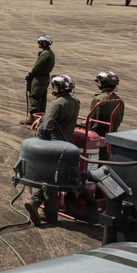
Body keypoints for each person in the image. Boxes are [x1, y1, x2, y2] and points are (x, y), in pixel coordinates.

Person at [25, 75, 81, 226]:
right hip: (65, 146)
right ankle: (47, 212)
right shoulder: (75, 102)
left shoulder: (56, 104)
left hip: (50, 146)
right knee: (51, 179)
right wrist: (41, 117)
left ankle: (36, 203)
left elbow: (46, 127)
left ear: (56, 88)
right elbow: (51, 118)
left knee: (40, 177)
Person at [21, 36, 56, 125]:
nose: (38, 44)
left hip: (39, 78)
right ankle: (40, 117)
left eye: (40, 42)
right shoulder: (49, 53)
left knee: (34, 97)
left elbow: (38, 67)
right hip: (44, 77)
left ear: (44, 43)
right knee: (42, 98)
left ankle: (32, 117)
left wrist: (31, 72)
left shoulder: (45, 54)